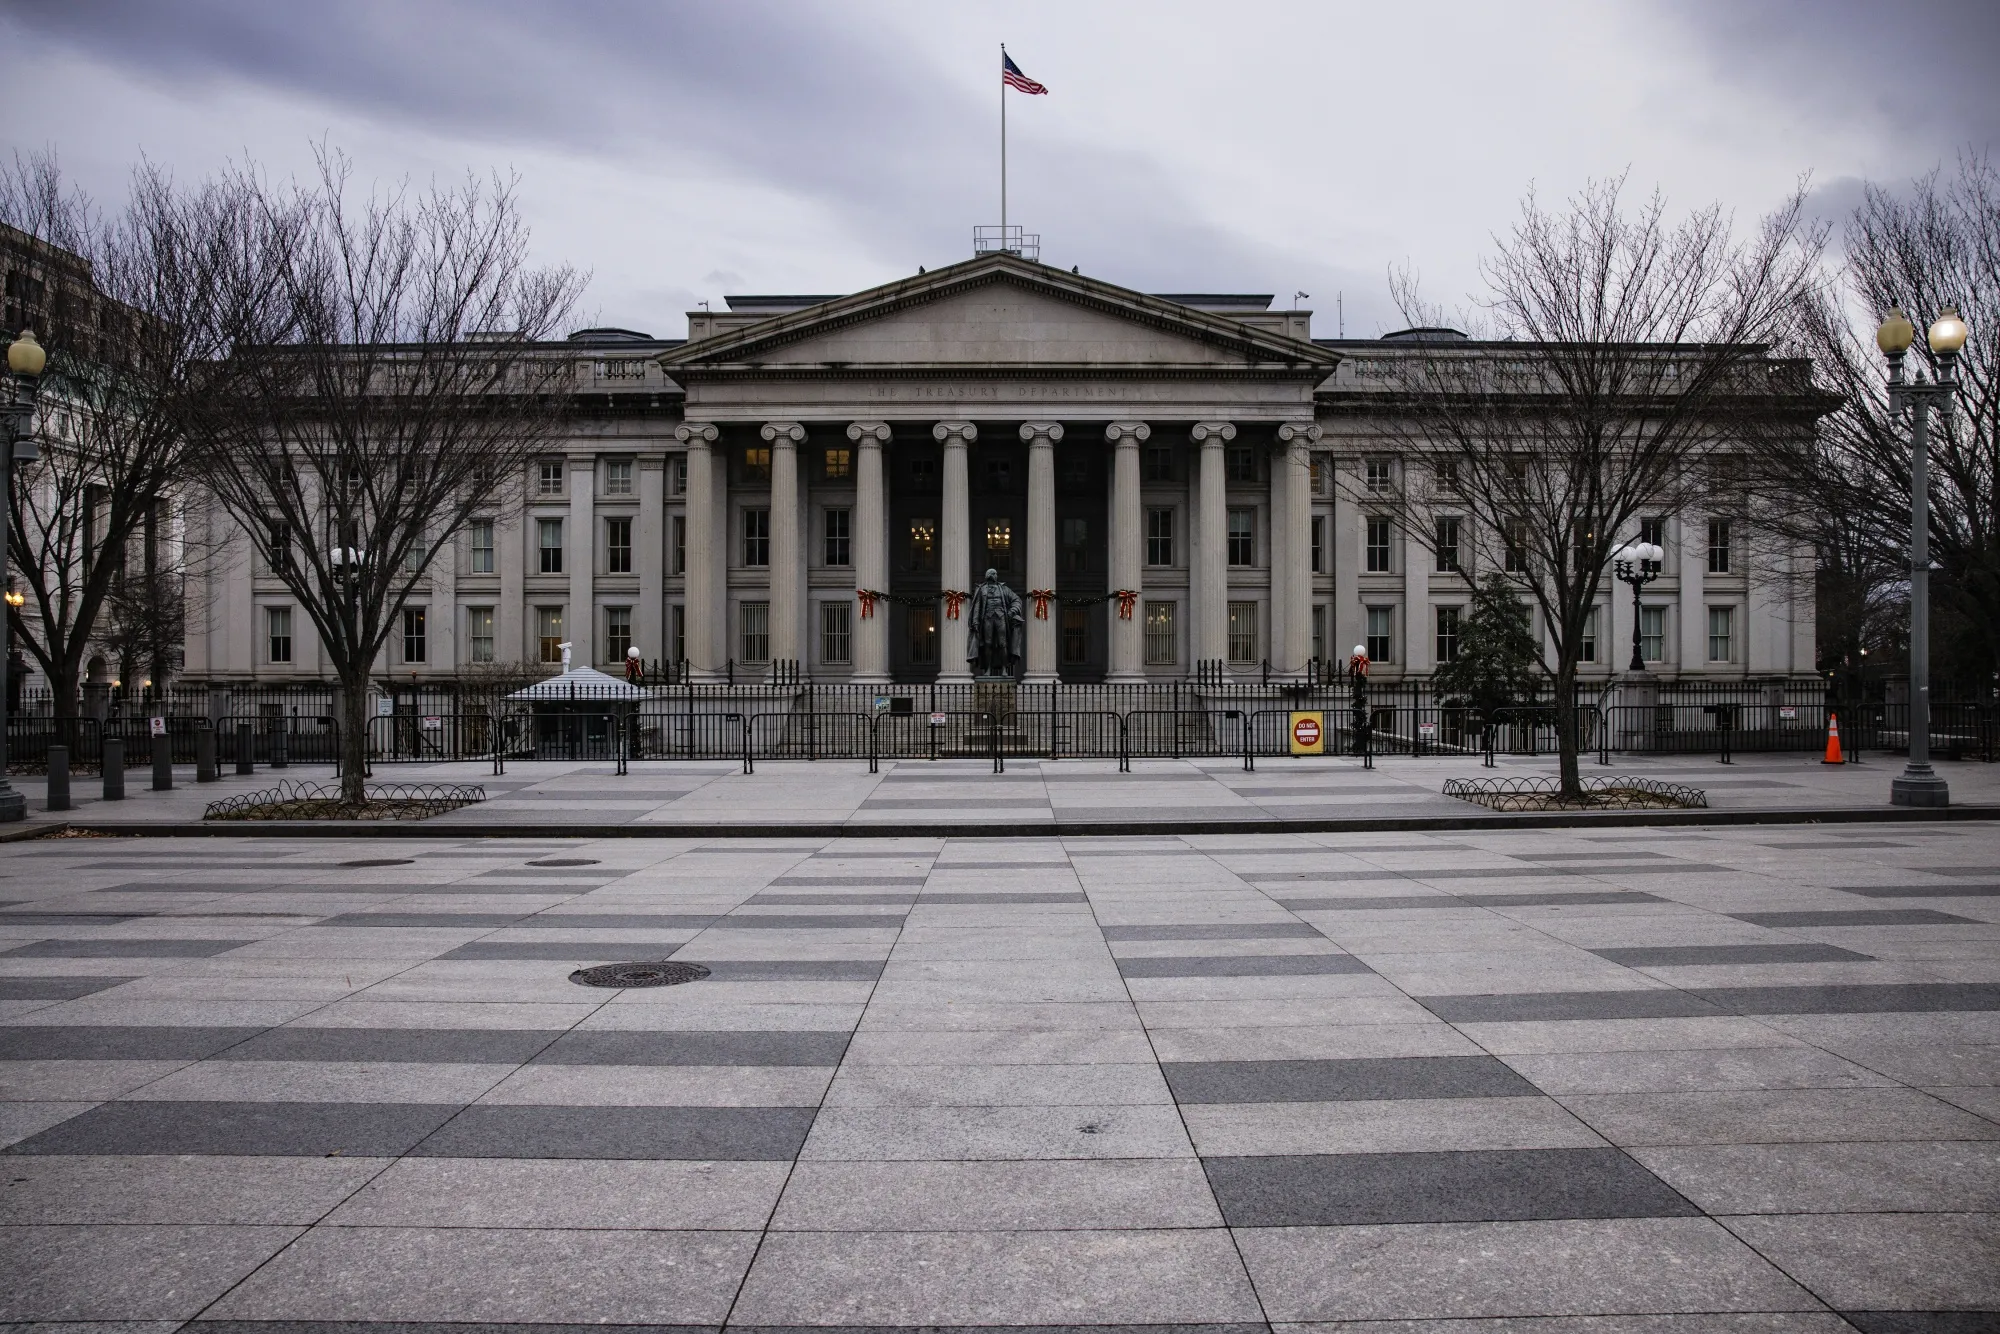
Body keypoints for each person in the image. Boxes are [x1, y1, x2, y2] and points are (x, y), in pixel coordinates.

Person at [965, 568, 1025, 677]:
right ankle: (987, 669)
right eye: (994, 574)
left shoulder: (1003, 589)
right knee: (988, 644)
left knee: (1003, 644)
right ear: (990, 575)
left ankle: (1004, 669)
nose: (996, 575)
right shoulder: (981, 589)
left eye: (996, 574)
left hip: (1001, 618)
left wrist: (1011, 612)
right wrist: (975, 622)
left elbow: (1016, 599)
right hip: (987, 618)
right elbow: (977, 607)